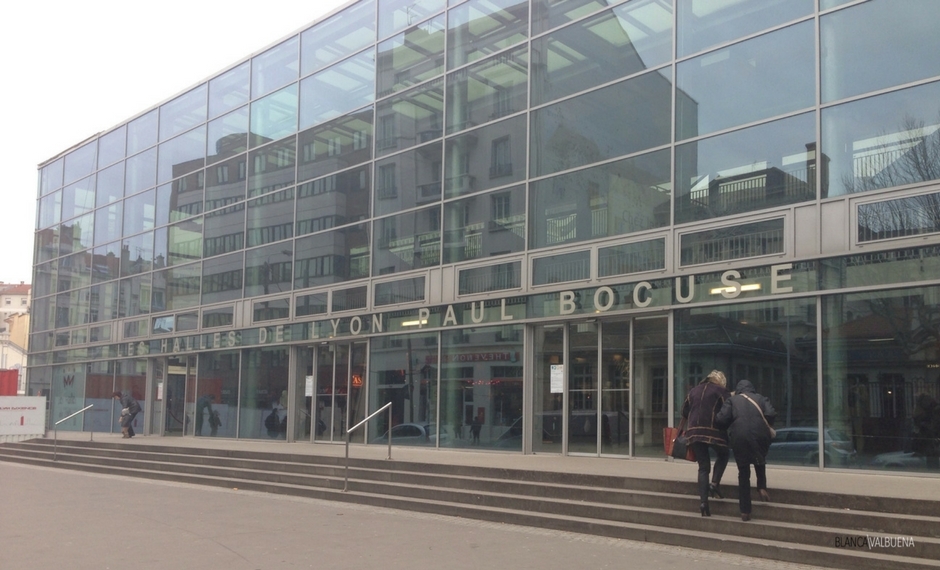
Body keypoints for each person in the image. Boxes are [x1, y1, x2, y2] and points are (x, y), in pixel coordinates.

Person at [716, 379, 775, 521]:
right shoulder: (761, 398)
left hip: (739, 436)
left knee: (743, 472)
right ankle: (761, 487)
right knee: (759, 459)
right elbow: (771, 414)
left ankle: (745, 511)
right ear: (752, 389)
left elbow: (721, 419)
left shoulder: (732, 400)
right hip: (760, 434)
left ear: (738, 390)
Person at [680, 369, 731, 517]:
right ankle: (714, 484)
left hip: (694, 432)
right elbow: (728, 412)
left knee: (703, 467)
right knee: (724, 454)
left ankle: (703, 503)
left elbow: (684, 411)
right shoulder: (721, 391)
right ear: (721, 381)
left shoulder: (693, 391)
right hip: (714, 431)